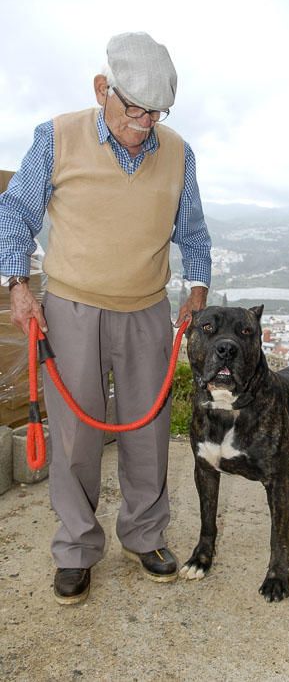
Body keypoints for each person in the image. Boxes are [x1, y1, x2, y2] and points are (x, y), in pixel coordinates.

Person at [0, 32, 211, 605]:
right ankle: (75, 548)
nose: (144, 124)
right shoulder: (57, 137)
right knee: (76, 435)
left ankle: (145, 536)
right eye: (134, 109)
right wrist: (19, 285)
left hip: (146, 309)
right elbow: (13, 212)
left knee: (148, 429)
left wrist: (197, 288)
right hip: (70, 307)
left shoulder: (179, 152)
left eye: (156, 112)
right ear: (103, 90)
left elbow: (192, 231)